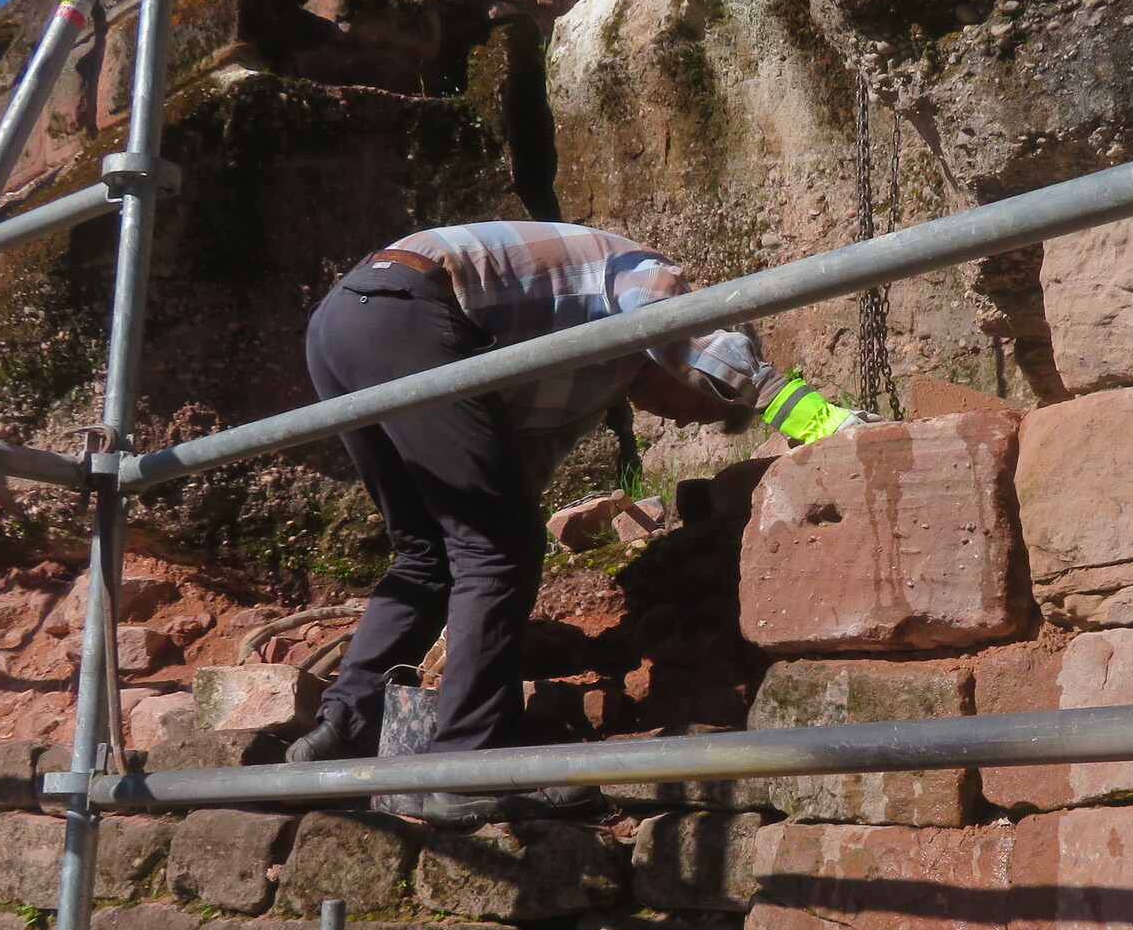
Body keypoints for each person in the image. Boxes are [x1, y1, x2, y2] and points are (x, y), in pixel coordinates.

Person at [285, 220, 864, 828]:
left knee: (429, 550)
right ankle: (465, 768)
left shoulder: (590, 378)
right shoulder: (646, 273)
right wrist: (807, 415)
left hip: (342, 327)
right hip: (402, 309)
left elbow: (508, 481)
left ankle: (345, 728)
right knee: (494, 548)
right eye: (703, 407)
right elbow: (675, 327)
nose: (683, 420)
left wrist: (497, 548)